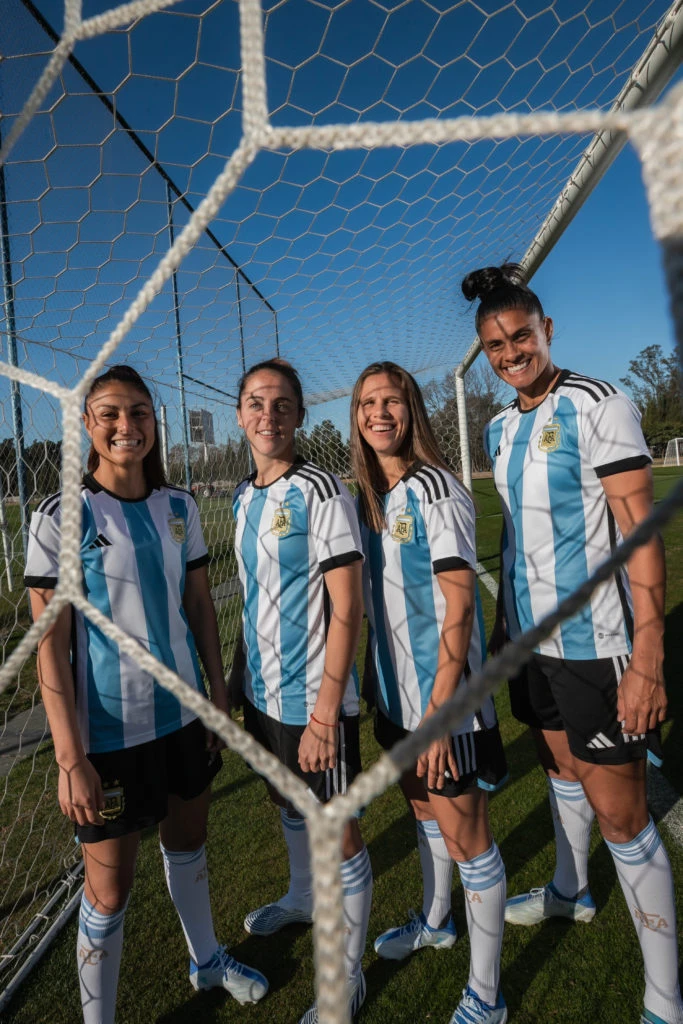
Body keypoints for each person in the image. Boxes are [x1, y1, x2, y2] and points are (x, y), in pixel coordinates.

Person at [462, 263, 683, 1024]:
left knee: (621, 813)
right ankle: (568, 890)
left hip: (598, 645)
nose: (509, 352)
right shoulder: (498, 425)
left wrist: (647, 657)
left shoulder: (598, 404)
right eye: (494, 344)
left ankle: (663, 999)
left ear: (545, 329)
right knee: (557, 764)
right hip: (531, 645)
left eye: (519, 335)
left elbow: (641, 534)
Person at [24, 365, 268, 1024]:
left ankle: (207, 959)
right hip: (106, 737)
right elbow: (50, 645)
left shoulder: (179, 507)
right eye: (109, 413)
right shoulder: (58, 517)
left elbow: (197, 606)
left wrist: (217, 696)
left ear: (153, 422)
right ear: (86, 425)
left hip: (184, 718)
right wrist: (70, 758)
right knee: (108, 890)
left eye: (138, 412)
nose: (125, 425)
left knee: (188, 845)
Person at [351, 360, 508, 1024]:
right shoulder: (372, 498)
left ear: (412, 410)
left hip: (443, 709)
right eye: (366, 404)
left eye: (391, 400)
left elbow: (459, 610)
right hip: (395, 701)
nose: (378, 412)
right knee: (422, 813)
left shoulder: (436, 488)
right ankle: (437, 919)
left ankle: (486, 993)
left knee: (468, 837)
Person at [229, 359, 372, 1024]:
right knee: (288, 804)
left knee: (335, 831)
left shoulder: (318, 490)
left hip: (314, 700)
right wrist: (238, 685)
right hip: (262, 696)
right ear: (239, 414)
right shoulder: (240, 496)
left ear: (298, 416)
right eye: (257, 403)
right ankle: (299, 895)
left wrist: (322, 715)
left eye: (281, 404)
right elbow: (257, 599)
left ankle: (347, 979)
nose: (269, 415)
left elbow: (348, 608)